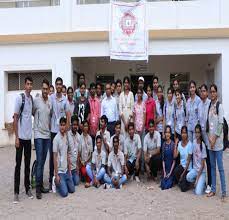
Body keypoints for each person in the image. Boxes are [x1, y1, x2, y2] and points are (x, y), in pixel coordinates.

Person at [13, 76, 34, 203]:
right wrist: (16, 137)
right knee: (18, 165)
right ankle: (16, 192)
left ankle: (27, 188)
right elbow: (15, 118)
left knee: (27, 165)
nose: (29, 86)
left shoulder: (31, 99)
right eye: (27, 84)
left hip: (28, 138)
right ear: (24, 85)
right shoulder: (19, 98)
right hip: (20, 138)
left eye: (31, 84)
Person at [49, 77, 70, 191]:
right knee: (53, 156)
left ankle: (62, 176)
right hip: (53, 131)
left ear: (62, 86)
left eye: (60, 84)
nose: (58, 86)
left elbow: (68, 115)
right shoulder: (51, 98)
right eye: (57, 84)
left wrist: (66, 129)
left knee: (63, 155)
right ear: (55, 85)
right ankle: (51, 179)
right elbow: (48, 112)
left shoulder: (65, 99)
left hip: (62, 131)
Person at [206, 84, 226, 201]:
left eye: (214, 92)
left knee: (221, 168)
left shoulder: (220, 106)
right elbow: (209, 124)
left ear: (216, 93)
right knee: (212, 167)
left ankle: (224, 192)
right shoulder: (210, 105)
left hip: (217, 144)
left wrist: (214, 139)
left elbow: (220, 124)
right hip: (210, 143)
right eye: (211, 92)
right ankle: (213, 190)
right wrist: (209, 138)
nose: (212, 94)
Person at [33, 79, 51, 199]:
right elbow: (33, 113)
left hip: (47, 136)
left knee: (43, 161)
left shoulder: (50, 102)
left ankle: (41, 185)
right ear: (41, 89)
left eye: (46, 89)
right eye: (43, 88)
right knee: (39, 162)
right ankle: (38, 188)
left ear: (49, 90)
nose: (45, 91)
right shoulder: (36, 101)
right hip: (38, 135)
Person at [53, 117, 75, 198]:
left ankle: (64, 182)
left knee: (72, 190)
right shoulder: (56, 139)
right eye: (61, 125)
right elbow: (54, 158)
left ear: (66, 126)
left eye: (64, 125)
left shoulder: (66, 137)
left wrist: (69, 170)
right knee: (65, 193)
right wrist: (56, 175)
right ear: (59, 126)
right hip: (59, 172)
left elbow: (67, 154)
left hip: (66, 171)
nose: (62, 127)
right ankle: (55, 181)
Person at [198, 84, 211, 194]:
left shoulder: (210, 104)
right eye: (201, 91)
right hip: (201, 136)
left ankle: (210, 184)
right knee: (203, 159)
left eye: (204, 91)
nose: (202, 93)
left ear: (207, 92)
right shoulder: (200, 104)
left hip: (209, 137)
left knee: (209, 162)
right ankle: (204, 180)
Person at [186, 124, 207, 195]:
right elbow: (189, 156)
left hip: (201, 172)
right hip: (195, 170)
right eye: (196, 132)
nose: (197, 134)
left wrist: (197, 178)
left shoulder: (203, 145)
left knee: (198, 193)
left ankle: (202, 183)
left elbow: (203, 165)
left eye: (198, 132)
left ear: (201, 133)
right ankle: (198, 182)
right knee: (188, 177)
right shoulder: (194, 142)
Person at [174, 126, 193, 192]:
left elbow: (188, 162)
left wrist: (182, 174)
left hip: (187, 169)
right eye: (182, 133)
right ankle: (182, 181)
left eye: (185, 133)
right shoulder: (179, 144)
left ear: (187, 134)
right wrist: (175, 144)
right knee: (175, 171)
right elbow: (175, 156)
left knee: (183, 189)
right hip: (182, 167)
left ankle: (189, 182)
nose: (183, 135)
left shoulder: (190, 145)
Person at [161, 125, 176, 190]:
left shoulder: (173, 144)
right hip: (165, 169)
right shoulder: (163, 144)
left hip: (171, 170)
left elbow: (174, 161)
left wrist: (170, 173)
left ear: (170, 134)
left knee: (168, 185)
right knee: (163, 185)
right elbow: (163, 160)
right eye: (166, 132)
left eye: (169, 132)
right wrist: (164, 172)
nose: (167, 134)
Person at [68, 115, 81, 186]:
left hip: (75, 168)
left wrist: (77, 167)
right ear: (71, 125)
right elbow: (66, 153)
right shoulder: (67, 135)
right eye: (73, 125)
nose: (75, 126)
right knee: (71, 183)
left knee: (76, 182)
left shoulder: (79, 137)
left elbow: (78, 153)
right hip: (68, 167)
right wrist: (68, 167)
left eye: (76, 125)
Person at [79, 120, 93, 186]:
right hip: (81, 162)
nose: (86, 127)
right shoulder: (79, 138)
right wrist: (81, 161)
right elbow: (78, 153)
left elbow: (91, 153)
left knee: (87, 170)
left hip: (88, 161)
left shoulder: (90, 138)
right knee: (85, 172)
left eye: (87, 126)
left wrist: (87, 161)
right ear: (82, 127)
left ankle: (89, 180)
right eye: (84, 126)